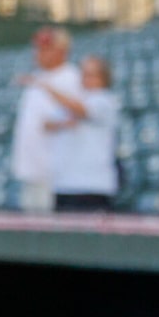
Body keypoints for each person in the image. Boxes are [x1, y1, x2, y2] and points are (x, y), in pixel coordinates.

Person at [11, 28, 88, 212]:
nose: (38, 53)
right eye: (37, 48)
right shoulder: (38, 77)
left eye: (45, 48)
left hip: (54, 173)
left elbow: (76, 119)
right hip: (32, 170)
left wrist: (53, 125)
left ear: (61, 51)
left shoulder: (72, 77)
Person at [50, 54, 121, 212]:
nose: (85, 78)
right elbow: (47, 124)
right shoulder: (77, 101)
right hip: (64, 184)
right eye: (83, 74)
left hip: (92, 186)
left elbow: (83, 110)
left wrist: (47, 87)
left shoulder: (105, 100)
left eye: (91, 74)